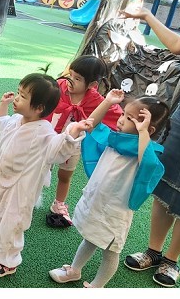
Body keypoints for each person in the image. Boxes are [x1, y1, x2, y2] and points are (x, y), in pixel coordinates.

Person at [0, 73, 92, 277]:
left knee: (13, 221)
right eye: (18, 93)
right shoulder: (16, 120)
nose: (17, 98)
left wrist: (74, 130)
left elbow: (59, 149)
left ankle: (8, 261)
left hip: (21, 188)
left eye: (23, 96)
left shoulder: (44, 132)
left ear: (39, 108)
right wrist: (3, 105)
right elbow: (1, 124)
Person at [118, 7, 180, 287]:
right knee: (164, 175)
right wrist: (147, 16)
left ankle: (172, 259)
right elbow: (179, 45)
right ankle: (153, 251)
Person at [49, 89, 169, 287]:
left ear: (148, 129)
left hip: (115, 211)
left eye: (129, 118)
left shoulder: (146, 153)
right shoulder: (117, 139)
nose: (121, 120)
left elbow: (148, 164)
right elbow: (91, 125)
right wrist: (108, 101)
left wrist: (143, 132)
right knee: (90, 238)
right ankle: (74, 270)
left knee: (111, 251)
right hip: (98, 201)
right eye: (123, 114)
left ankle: (97, 286)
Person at [44, 55, 123, 227]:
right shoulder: (59, 86)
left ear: (92, 85)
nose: (71, 80)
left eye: (78, 78)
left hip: (73, 144)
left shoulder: (95, 100)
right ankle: (30, 193)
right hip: (50, 137)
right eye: (70, 74)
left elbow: (115, 115)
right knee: (40, 168)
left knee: (65, 175)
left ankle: (59, 203)